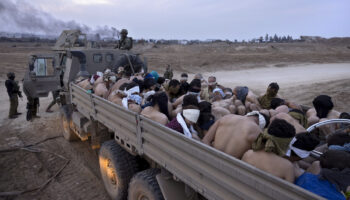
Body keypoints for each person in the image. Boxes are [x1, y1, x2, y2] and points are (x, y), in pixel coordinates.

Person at [202, 111, 270, 159]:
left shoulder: (226, 117)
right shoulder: (257, 131)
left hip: (210, 158)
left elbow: (205, 140)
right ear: (262, 126)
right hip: (232, 167)